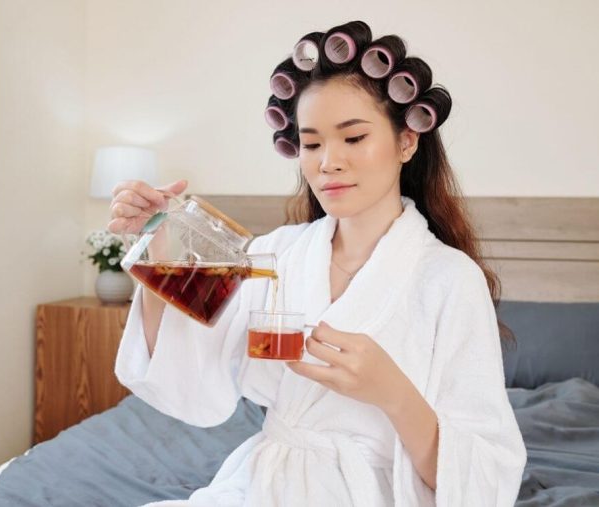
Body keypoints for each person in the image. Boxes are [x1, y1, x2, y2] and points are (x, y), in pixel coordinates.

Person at [109, 20, 526, 506]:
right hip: (266, 485)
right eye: (311, 144)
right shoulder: (276, 253)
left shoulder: (450, 280)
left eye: (352, 139)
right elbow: (189, 379)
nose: (327, 162)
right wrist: (159, 241)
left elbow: (487, 480)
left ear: (406, 142)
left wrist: (393, 392)